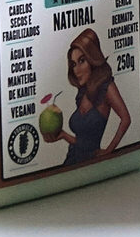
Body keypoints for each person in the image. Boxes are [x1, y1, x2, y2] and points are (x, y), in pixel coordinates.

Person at [52, 28, 131, 165]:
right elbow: (81, 142)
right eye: (73, 64)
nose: (76, 70)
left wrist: (109, 150)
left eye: (82, 61)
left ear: (92, 58)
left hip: (92, 162)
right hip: (71, 160)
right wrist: (62, 134)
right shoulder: (82, 92)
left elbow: (126, 118)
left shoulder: (107, 87)